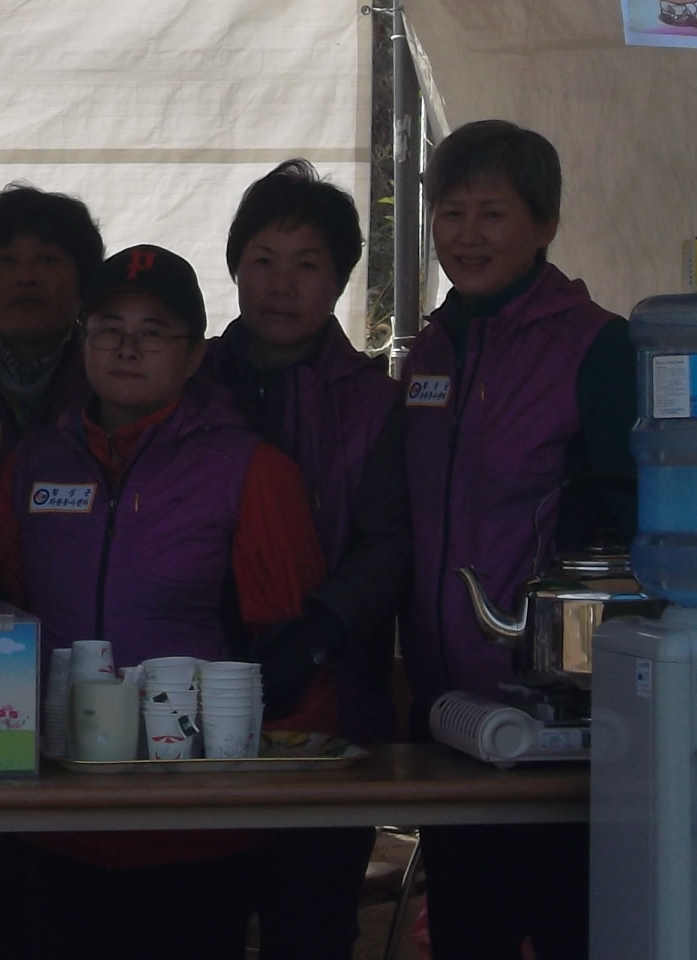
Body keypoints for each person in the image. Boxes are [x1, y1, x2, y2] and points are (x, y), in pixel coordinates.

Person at [0, 246, 335, 960]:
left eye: (153, 332)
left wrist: (268, 806)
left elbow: (289, 652)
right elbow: (8, 608)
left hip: (194, 825)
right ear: (82, 341)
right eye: (108, 328)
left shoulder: (248, 470)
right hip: (56, 813)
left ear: (193, 356)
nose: (126, 347)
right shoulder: (33, 463)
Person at [397, 120, 636, 960]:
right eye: (450, 212)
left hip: (557, 723)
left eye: (492, 213)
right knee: (468, 930)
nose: (467, 235)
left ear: (546, 224)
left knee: (569, 927)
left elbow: (632, 520)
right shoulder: (430, 349)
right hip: (448, 714)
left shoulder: (596, 346)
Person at [199, 162, 408, 960]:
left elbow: (390, 543)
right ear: (235, 266)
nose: (281, 285)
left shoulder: (374, 401)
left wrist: (318, 633)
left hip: (330, 709)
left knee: (311, 927)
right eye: (263, 259)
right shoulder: (187, 380)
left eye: (307, 263)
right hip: (194, 705)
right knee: (196, 921)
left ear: (341, 279)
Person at [0, 184, 104, 460]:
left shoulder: (111, 381)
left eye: (48, 259)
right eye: (6, 260)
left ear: (84, 280)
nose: (26, 277)